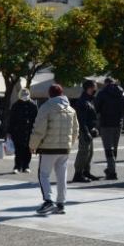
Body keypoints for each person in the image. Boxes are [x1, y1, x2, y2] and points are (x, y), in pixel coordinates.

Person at [30, 84, 80, 215]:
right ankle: (61, 203)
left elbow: (39, 129)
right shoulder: (71, 110)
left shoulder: (46, 107)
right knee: (61, 176)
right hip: (64, 148)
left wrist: (33, 145)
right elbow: (75, 130)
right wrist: (70, 144)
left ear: (49, 94)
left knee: (44, 174)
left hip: (48, 147)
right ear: (62, 93)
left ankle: (48, 201)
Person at [95, 77, 124, 180]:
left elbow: (96, 107)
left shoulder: (102, 93)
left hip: (105, 123)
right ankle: (110, 168)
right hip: (118, 123)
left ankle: (112, 172)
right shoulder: (122, 93)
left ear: (105, 83)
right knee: (114, 148)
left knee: (108, 148)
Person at [72, 80, 100, 183]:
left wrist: (93, 128)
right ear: (88, 88)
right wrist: (86, 131)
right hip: (85, 130)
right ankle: (78, 174)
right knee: (83, 152)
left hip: (89, 130)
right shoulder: (83, 101)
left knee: (90, 152)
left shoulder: (89, 100)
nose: (95, 90)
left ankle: (86, 171)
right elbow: (81, 119)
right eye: (94, 88)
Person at [7, 88, 38, 174]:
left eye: (26, 94)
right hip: (18, 131)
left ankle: (26, 166)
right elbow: (11, 120)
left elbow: (37, 119)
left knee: (28, 149)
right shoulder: (16, 105)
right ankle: (17, 166)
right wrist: (9, 131)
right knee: (19, 150)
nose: (24, 96)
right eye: (23, 94)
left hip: (30, 131)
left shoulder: (33, 105)